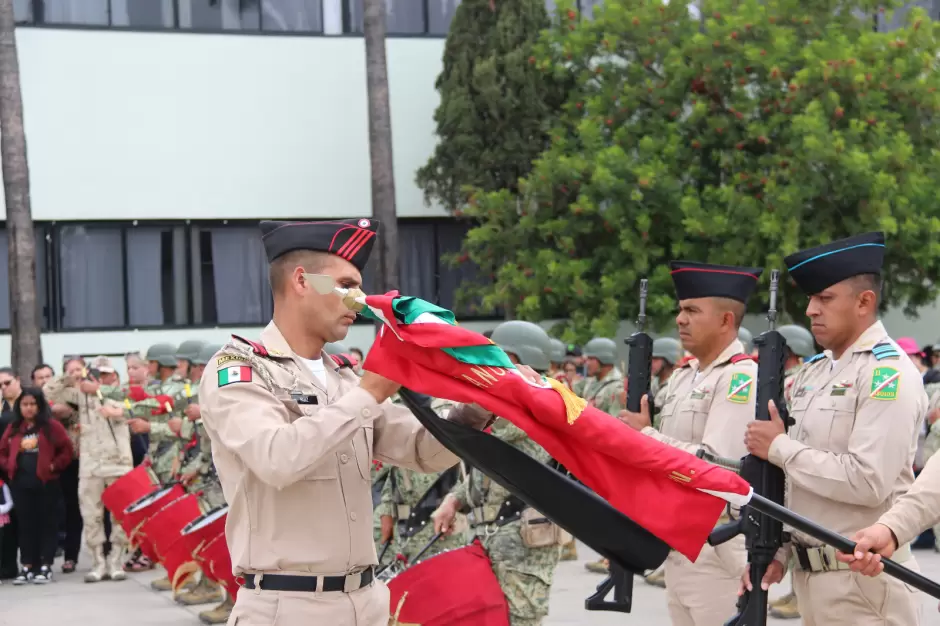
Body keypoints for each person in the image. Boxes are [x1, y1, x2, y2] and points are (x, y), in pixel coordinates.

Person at [199, 218, 488, 626]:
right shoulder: (240, 370)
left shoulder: (343, 377)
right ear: (302, 281)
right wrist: (367, 395)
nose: (360, 300)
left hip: (366, 602)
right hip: (289, 607)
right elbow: (276, 458)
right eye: (347, 285)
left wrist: (478, 406)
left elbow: (421, 451)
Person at [743, 231, 925, 626]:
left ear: (864, 302)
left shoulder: (886, 374)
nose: (810, 310)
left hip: (865, 587)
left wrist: (778, 449)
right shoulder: (815, 372)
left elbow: (867, 480)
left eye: (824, 298)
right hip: (813, 583)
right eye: (811, 299)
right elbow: (804, 486)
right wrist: (781, 547)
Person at [615, 261, 762, 625]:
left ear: (726, 320)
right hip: (679, 540)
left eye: (692, 310)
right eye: (681, 309)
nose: (680, 319)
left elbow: (716, 465)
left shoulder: (740, 377)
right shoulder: (683, 376)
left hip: (717, 544)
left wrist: (644, 435)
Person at [432, 320, 563, 626]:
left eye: (497, 356)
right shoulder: (503, 400)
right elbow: (488, 469)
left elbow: (492, 433)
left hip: (521, 546)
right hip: (492, 538)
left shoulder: (540, 398)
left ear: (515, 359)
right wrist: (453, 500)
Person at [44, 357, 133, 583]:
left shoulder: (124, 392)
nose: (99, 378)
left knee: (119, 517)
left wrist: (100, 389)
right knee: (90, 515)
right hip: (91, 466)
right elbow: (47, 393)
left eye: (105, 374)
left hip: (118, 463)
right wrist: (69, 377)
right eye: (95, 374)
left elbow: (135, 409)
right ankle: (98, 562)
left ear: (113, 376)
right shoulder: (80, 397)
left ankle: (115, 560)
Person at [762, 323, 815, 620]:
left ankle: (797, 595)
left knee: (797, 526)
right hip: (789, 456)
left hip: (790, 457)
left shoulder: (796, 381)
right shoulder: (796, 379)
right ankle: (796, 592)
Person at [0, 388, 73, 584]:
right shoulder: (14, 427)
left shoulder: (51, 427)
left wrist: (53, 466)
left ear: (39, 406)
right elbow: (2, 451)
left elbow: (66, 450)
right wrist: (9, 466)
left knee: (46, 524)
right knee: (26, 525)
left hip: (46, 484)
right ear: (19, 406)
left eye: (33, 404)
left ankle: (45, 565)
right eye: (25, 404)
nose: (29, 408)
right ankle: (27, 566)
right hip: (21, 484)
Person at [44, 357, 84, 575]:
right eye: (71, 370)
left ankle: (104, 553)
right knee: (69, 509)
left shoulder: (90, 391)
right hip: (67, 458)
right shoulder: (60, 391)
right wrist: (64, 380)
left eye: (79, 369)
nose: (76, 373)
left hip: (89, 456)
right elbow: (45, 394)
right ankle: (70, 556)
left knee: (91, 509)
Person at [0, 368, 22, 580]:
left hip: (16, 472)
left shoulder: (25, 407)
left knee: (13, 522)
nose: (3, 389)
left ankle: (15, 564)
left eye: (7, 383)